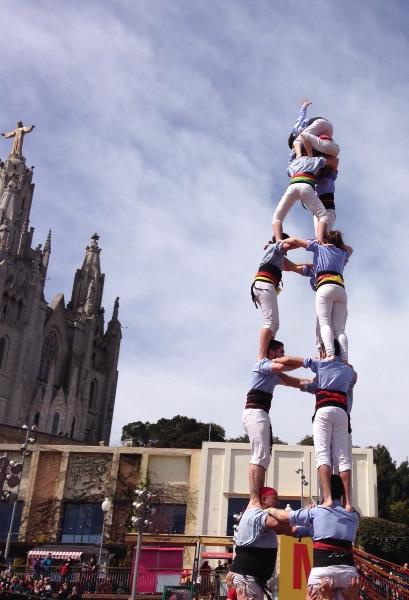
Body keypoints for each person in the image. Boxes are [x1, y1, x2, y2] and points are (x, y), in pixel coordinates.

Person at [276, 340, 356, 510]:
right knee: (343, 458)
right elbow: (354, 377)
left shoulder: (320, 365)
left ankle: (327, 499)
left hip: (324, 411)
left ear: (325, 350)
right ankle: (347, 502)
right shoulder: (348, 371)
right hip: (342, 413)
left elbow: (293, 363)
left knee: (323, 455)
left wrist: (271, 364)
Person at [266, 476, 360, 600]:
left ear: (324, 490)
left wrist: (269, 509)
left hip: (323, 571)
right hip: (348, 573)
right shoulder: (354, 516)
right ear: (342, 492)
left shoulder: (317, 512)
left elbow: (287, 520)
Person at [243, 339, 307, 504]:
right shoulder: (262, 364)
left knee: (264, 457)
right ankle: (254, 499)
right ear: (271, 352)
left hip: (261, 413)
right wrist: (309, 362)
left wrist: (321, 381)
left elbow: (296, 382)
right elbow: (280, 366)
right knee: (259, 456)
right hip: (255, 412)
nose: (284, 356)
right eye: (281, 352)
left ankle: (258, 497)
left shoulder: (275, 375)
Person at [285, 231, 352, 361]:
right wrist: (340, 245)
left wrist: (280, 242)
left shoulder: (319, 247)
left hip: (325, 287)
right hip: (341, 290)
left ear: (325, 240)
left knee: (324, 323)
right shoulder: (343, 253)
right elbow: (350, 249)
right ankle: (345, 360)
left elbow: (294, 241)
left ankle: (330, 354)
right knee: (340, 330)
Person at [228, 487, 291, 600]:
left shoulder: (262, 516)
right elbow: (280, 524)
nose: (278, 502)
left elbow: (287, 529)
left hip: (253, 578)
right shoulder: (257, 515)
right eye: (275, 499)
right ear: (264, 499)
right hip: (248, 577)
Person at [272, 152, 337, 244]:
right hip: (306, 186)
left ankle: (278, 241)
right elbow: (334, 161)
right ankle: (319, 240)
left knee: (277, 218)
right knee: (323, 216)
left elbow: (288, 170)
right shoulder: (313, 160)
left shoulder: (293, 163)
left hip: (292, 187)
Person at [251, 234, 294, 358]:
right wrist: (309, 244)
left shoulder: (278, 255)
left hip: (264, 285)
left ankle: (269, 354)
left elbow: (294, 267)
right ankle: (262, 356)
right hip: (264, 284)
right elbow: (293, 243)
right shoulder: (275, 248)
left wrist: (311, 267)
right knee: (270, 321)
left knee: (275, 323)